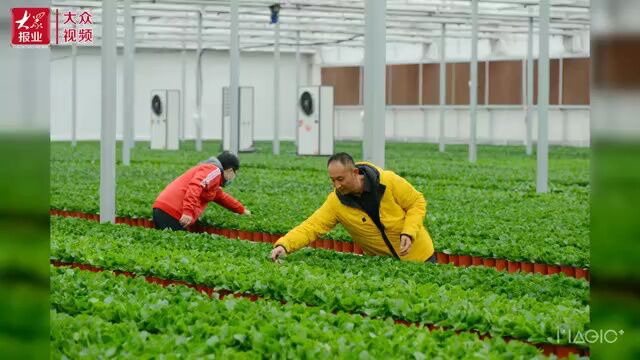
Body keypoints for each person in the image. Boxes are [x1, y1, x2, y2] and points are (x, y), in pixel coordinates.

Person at [270, 152, 435, 263]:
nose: (337, 185)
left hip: (420, 256)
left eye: (340, 179)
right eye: (332, 180)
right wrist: (285, 245)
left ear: (355, 172)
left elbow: (416, 202)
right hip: (384, 264)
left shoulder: (387, 181)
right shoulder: (336, 202)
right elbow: (312, 226)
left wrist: (409, 231)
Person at [152, 151, 250, 230]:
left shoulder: (212, 177)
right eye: (234, 172)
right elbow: (195, 186)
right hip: (172, 212)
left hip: (164, 209)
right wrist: (188, 212)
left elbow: (221, 197)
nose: (233, 176)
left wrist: (242, 210)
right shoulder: (214, 170)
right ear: (229, 170)